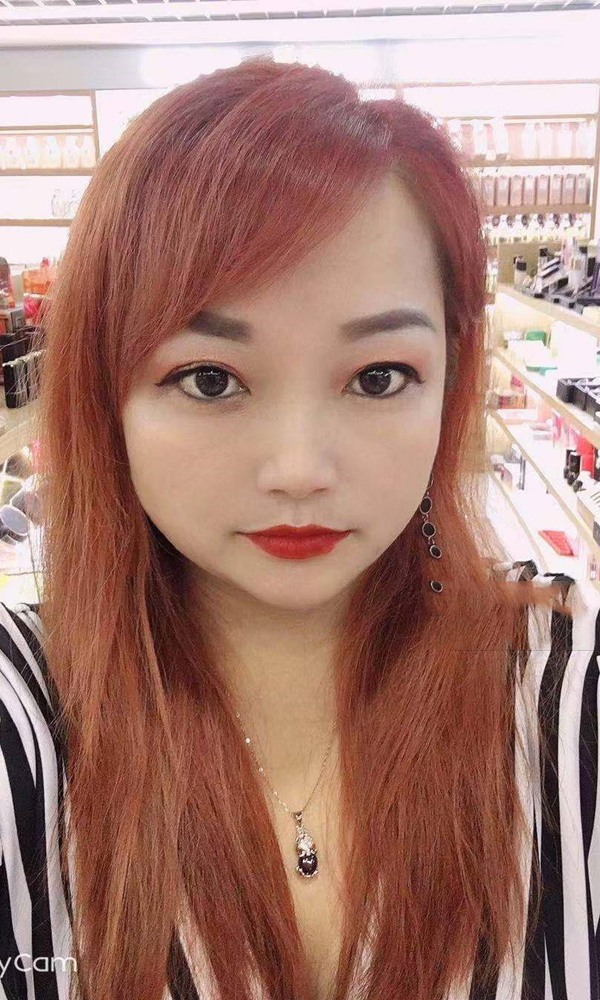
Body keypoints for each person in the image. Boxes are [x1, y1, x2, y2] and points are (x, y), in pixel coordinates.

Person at [0, 55, 598, 1000]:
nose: (299, 469)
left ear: (450, 379)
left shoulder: (568, 700)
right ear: (107, 395)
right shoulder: (29, 715)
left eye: (378, 377)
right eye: (210, 380)